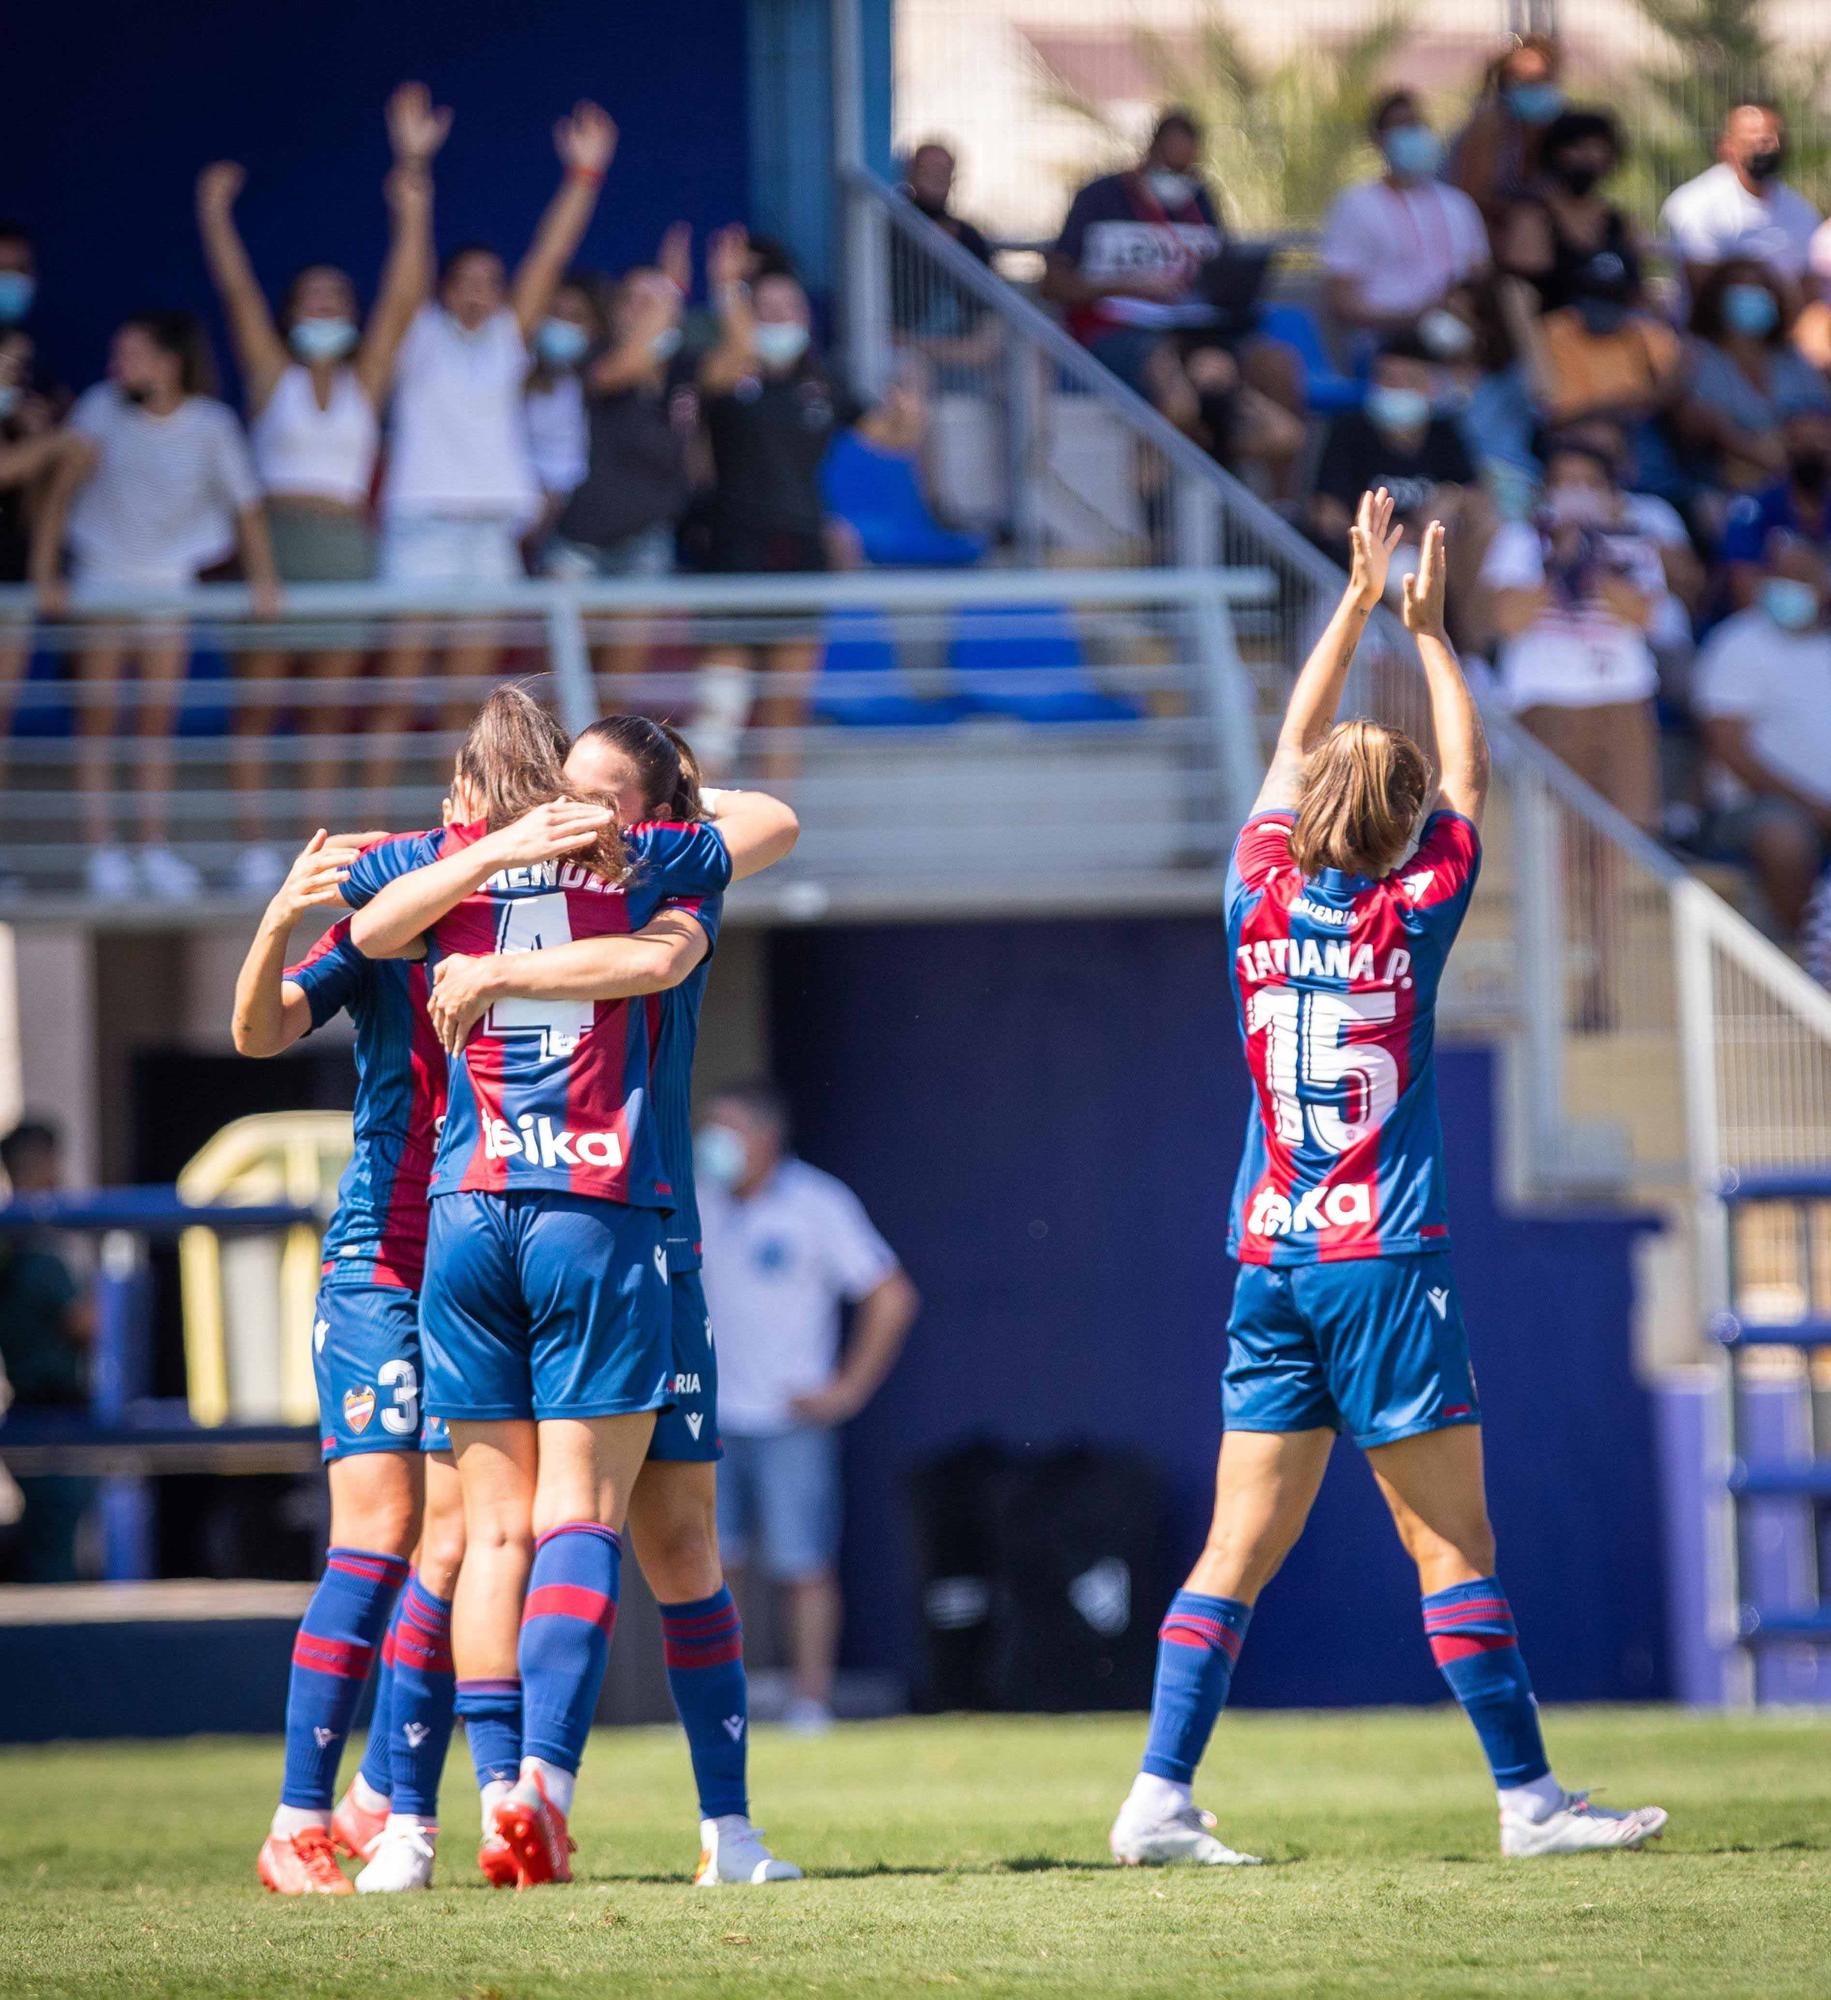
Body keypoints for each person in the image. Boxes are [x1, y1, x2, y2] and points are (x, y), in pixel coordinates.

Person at [1108, 490, 1667, 1866]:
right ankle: (1529, 1802)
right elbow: (1468, 782)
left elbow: (1290, 743)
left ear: (1299, 817)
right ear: (1403, 828)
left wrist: (1355, 604)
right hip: (1376, 1258)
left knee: (1233, 1551)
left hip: (1270, 1256)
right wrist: (1430, 634)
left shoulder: (1252, 893)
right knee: (1450, 1545)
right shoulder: (1412, 908)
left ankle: (1155, 1797)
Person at [339, 688, 776, 1888]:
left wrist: (479, 959)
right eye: (564, 784)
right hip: (604, 1217)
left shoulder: (641, 865)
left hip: (507, 1217)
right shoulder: (624, 868)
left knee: (664, 1541)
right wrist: (538, 840)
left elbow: (376, 924)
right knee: (541, 1521)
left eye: (605, 790)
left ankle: (712, 1829)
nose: (579, 805)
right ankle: (504, 1794)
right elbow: (742, 853)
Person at [232, 827, 471, 1895]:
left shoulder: (534, 922)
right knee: (379, 1530)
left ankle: (379, 1796)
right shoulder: (387, 925)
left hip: (483, 1263)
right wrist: (281, 917)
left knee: (461, 1541)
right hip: (380, 1263)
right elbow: (259, 1031)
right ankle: (295, 1820)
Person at [196, 83, 451, 882]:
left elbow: (406, 295)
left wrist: (411, 192)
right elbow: (237, 293)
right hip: (278, 538)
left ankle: (313, 853)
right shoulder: (269, 372)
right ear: (292, 310)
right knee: (258, 707)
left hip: (344, 541)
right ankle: (249, 849)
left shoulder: (366, 378)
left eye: (338, 298)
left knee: (326, 715)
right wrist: (214, 212)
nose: (328, 305)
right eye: (314, 297)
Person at [369, 100, 616, 780]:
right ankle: (363, 830)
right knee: (395, 693)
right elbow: (408, 259)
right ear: (443, 291)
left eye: (490, 284)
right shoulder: (416, 338)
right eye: (464, 283)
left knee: (466, 704)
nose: (479, 293)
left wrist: (584, 173)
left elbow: (551, 252)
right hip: (421, 528)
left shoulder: (510, 339)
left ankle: (456, 838)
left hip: (487, 535)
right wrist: (414, 164)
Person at [28, 310, 280, 899]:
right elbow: (60, 495)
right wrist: (46, 572)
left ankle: (152, 848)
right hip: (100, 577)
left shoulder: (211, 424)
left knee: (155, 721)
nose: (119, 366)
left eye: (133, 354)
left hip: (168, 584)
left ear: (170, 362)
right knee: (97, 718)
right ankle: (102, 854)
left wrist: (265, 581)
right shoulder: (98, 408)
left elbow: (245, 506)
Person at [695, 1083, 919, 1734]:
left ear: (765, 1138)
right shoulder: (694, 1199)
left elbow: (889, 1294)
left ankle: (809, 1704)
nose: (713, 1142)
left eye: (727, 1128)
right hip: (708, 1416)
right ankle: (715, 1705)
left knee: (804, 1565)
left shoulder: (817, 1202)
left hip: (791, 1417)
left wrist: (847, 1389)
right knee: (707, 1567)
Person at [1042, 109, 1304, 494]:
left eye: (1187, 168)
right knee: (1175, 387)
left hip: (1198, 332)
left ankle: (1281, 514)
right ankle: (1162, 506)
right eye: (1169, 163)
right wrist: (1127, 286)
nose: (1179, 178)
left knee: (1275, 365)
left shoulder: (1201, 199)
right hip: (1119, 332)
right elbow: (1053, 285)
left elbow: (1218, 270)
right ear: (1150, 150)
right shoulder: (1098, 198)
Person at [696, 225, 858, 777]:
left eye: (790, 305)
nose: (780, 316)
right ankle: (698, 847)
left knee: (786, 707)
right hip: (734, 545)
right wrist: (725, 287)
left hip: (802, 546)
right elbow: (736, 353)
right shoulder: (724, 371)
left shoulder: (823, 381)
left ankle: (776, 845)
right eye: (764, 307)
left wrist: (912, 413)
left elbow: (890, 432)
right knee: (722, 706)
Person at [1479, 440, 1665, 828]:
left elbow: (1643, 616)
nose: (1577, 493)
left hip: (1623, 701)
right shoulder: (1519, 541)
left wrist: (1593, 554)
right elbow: (1507, 619)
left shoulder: (1634, 544)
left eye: (1589, 484)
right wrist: (1559, 558)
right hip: (1545, 701)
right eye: (1567, 483)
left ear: (1610, 493)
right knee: (1552, 829)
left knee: (1628, 831)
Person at [1693, 541, 1831, 934]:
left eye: (1801, 578)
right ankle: (1797, 961)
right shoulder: (1739, 642)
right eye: (1780, 575)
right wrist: (1814, 806)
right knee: (1785, 838)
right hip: (1756, 806)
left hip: (1821, 804)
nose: (1788, 586)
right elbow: (1728, 747)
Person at [546, 229, 695, 590]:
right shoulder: (589, 358)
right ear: (612, 312)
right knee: (569, 647)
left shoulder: (684, 372)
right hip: (579, 540)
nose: (646, 311)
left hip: (647, 538)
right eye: (634, 300)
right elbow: (625, 367)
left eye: (653, 301)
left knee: (631, 646)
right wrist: (670, 293)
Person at [1309, 336, 1487, 640]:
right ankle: (1411, 657)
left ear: (1431, 388)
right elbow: (1327, 514)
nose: (1396, 388)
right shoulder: (1348, 431)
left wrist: (1449, 503)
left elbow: (1476, 499)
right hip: (1370, 552)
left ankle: (1473, 654)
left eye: (1409, 381)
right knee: (1402, 570)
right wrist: (1390, 537)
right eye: (1388, 379)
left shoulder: (1445, 432)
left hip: (1437, 547)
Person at [0, 1117, 93, 1584]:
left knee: (50, 1539)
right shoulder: (31, 1246)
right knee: (51, 1555)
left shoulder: (27, 1239)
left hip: (42, 1407)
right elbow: (84, 1325)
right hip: (48, 1408)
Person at [1319, 92, 1490, 341]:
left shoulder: (1458, 205)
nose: (1414, 134)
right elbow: (1341, 300)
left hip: (1460, 333)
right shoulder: (1356, 205)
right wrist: (1411, 318)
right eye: (1401, 126)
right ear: (1378, 140)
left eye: (1418, 125)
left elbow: (1480, 275)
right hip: (1388, 337)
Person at [1677, 259, 1831, 496]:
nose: (1751, 296)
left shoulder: (1793, 359)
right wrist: (1746, 447)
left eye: (1760, 288)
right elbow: (1693, 422)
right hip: (1721, 488)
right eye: (1740, 288)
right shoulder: (1696, 357)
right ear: (1717, 298)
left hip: (1803, 486)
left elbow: (1818, 412)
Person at [1661, 103, 1821, 298]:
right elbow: (1703, 294)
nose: (1770, 147)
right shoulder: (1694, 206)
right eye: (1759, 140)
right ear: (1727, 147)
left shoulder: (1802, 212)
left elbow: (1808, 287)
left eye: (1775, 139)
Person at [1446, 33, 1566, 241]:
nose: (1535, 89)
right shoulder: (1489, 126)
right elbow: (1470, 198)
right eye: (1525, 81)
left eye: (1541, 79)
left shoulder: (1556, 126)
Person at [521, 273, 602, 565]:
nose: (562, 326)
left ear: (593, 328)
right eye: (555, 314)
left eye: (575, 317)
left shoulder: (599, 383)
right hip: (519, 519)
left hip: (578, 522)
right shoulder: (515, 376)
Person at [1719, 408, 1831, 607]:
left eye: (1821, 443)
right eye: (1803, 443)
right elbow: (1745, 591)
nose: (1812, 451)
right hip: (1760, 624)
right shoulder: (1752, 508)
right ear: (1786, 447)